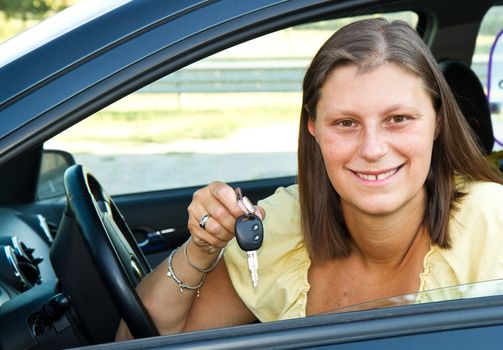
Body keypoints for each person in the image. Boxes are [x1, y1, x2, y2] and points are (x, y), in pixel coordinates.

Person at [116, 17, 503, 339]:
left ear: (437, 121)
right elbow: (144, 342)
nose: (372, 148)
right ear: (313, 127)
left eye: (398, 119)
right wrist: (201, 246)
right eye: (345, 123)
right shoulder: (282, 225)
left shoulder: (492, 223)